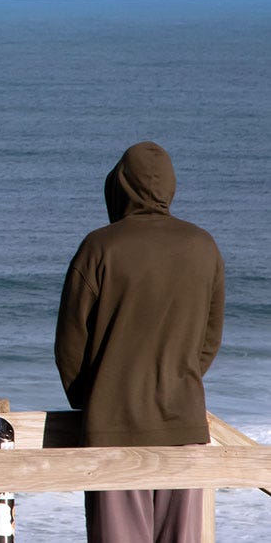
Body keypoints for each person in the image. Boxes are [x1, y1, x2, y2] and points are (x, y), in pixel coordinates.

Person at [55, 142, 224, 543]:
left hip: (112, 426)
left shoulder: (99, 247)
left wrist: (92, 397)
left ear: (118, 187)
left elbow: (70, 346)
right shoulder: (203, 246)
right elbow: (209, 340)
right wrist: (176, 380)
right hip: (184, 425)